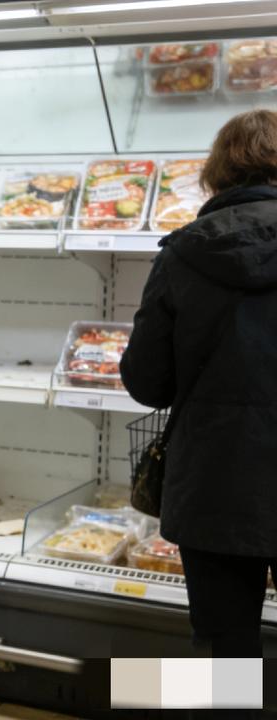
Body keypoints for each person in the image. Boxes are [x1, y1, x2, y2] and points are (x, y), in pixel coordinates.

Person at [122, 109, 277, 658]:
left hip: (214, 486)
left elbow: (146, 382)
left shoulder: (184, 253)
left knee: (222, 648)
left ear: (217, 173)